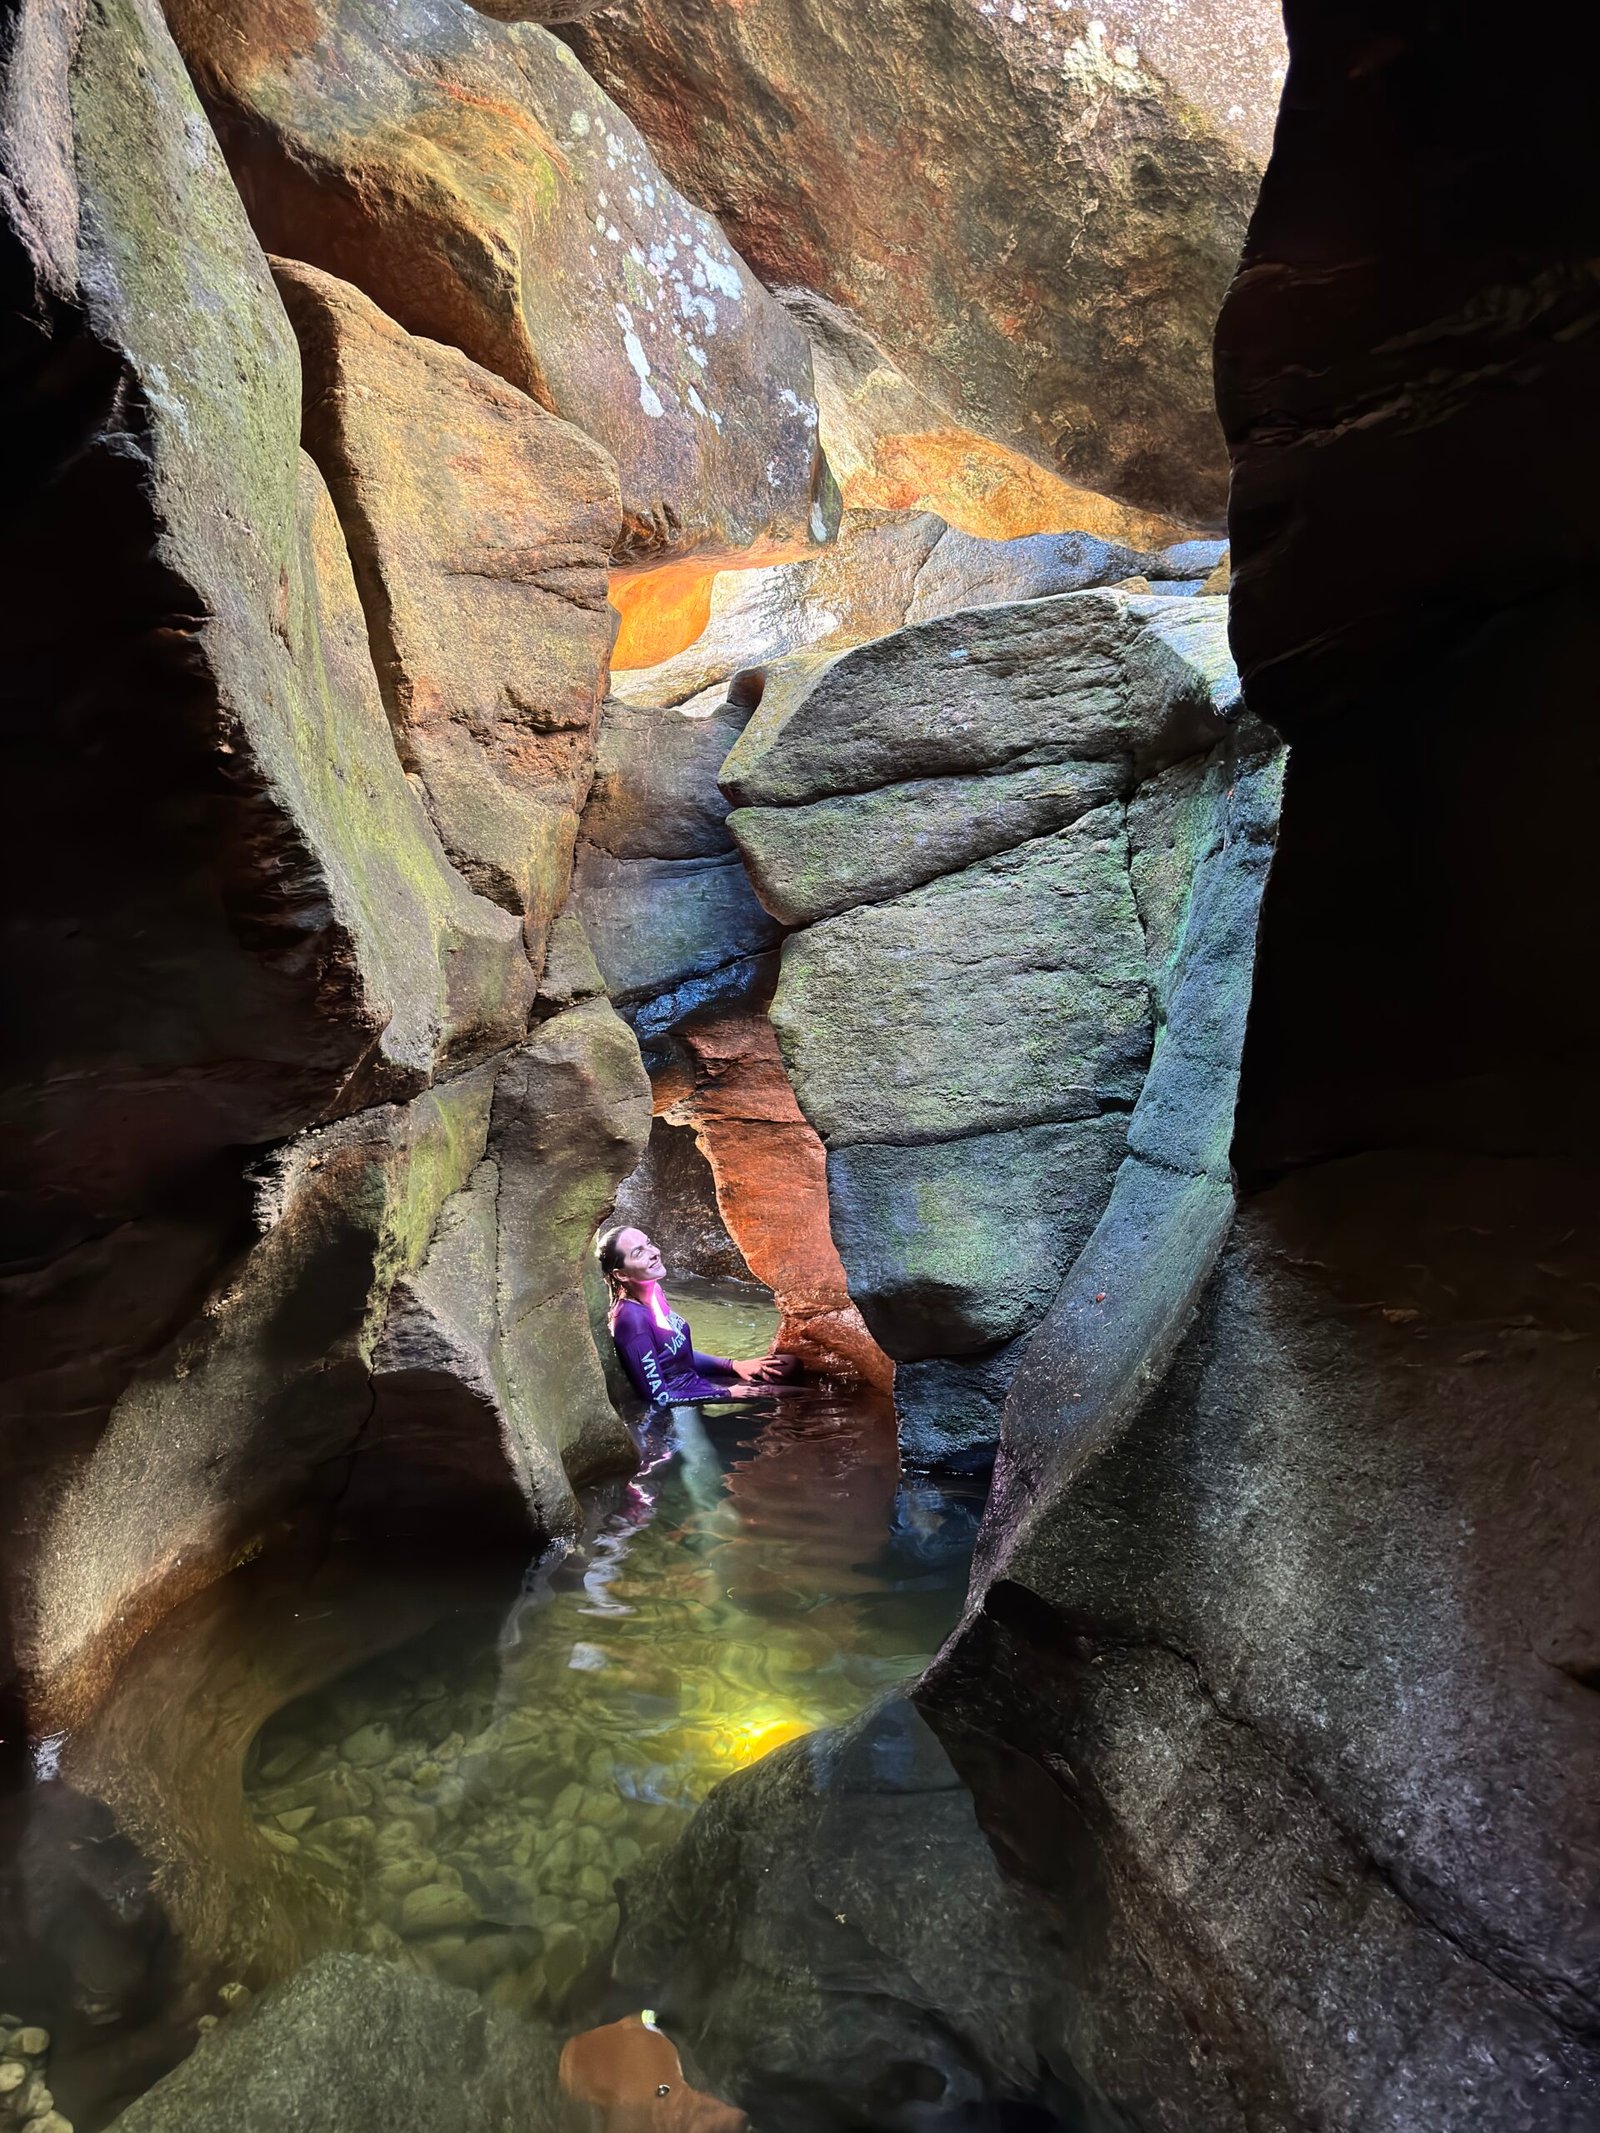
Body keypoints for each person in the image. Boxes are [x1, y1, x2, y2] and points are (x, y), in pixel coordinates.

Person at [596, 1225, 800, 1411]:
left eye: (649, 1243)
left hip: (693, 1378)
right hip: (679, 1400)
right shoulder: (631, 1320)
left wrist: (734, 1365)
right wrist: (726, 1393)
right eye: (639, 1253)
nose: (654, 1253)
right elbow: (659, 1397)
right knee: (806, 1397)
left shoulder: (654, 1290)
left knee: (789, 1366)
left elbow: (677, 1352)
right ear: (622, 1275)